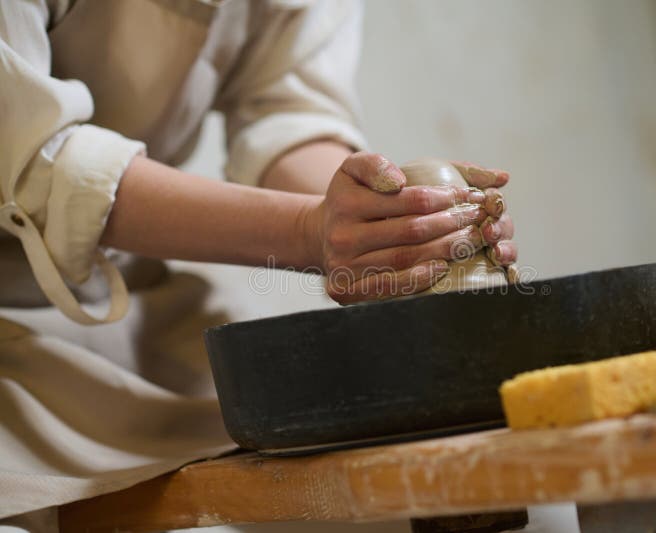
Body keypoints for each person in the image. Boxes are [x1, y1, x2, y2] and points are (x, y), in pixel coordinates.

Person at [0, 0, 516, 529]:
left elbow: (290, 115)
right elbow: (33, 154)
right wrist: (305, 232)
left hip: (135, 318)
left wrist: (383, 227)